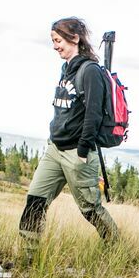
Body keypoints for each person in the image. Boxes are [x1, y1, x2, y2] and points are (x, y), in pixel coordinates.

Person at [16, 17, 118, 259]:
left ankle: (116, 251)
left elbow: (93, 113)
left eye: (58, 40)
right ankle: (28, 258)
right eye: (53, 40)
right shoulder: (66, 69)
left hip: (77, 153)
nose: (55, 46)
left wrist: (83, 150)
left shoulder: (90, 71)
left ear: (75, 38)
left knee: (90, 209)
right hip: (55, 149)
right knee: (35, 201)